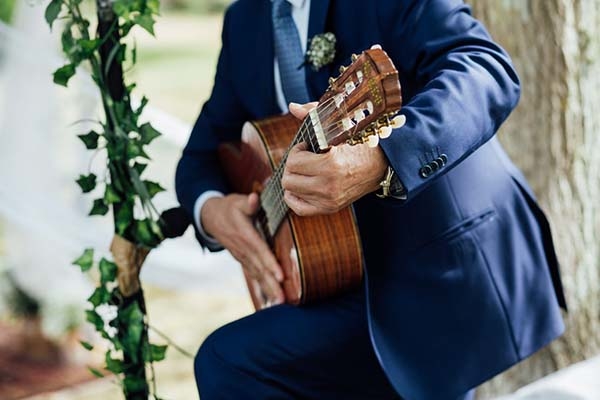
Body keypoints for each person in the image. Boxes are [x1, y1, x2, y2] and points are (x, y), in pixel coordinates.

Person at [175, 0, 567, 398]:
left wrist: (384, 159)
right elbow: (199, 158)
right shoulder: (245, 19)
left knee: (227, 361)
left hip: (439, 268)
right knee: (228, 362)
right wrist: (211, 210)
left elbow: (485, 70)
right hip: (334, 272)